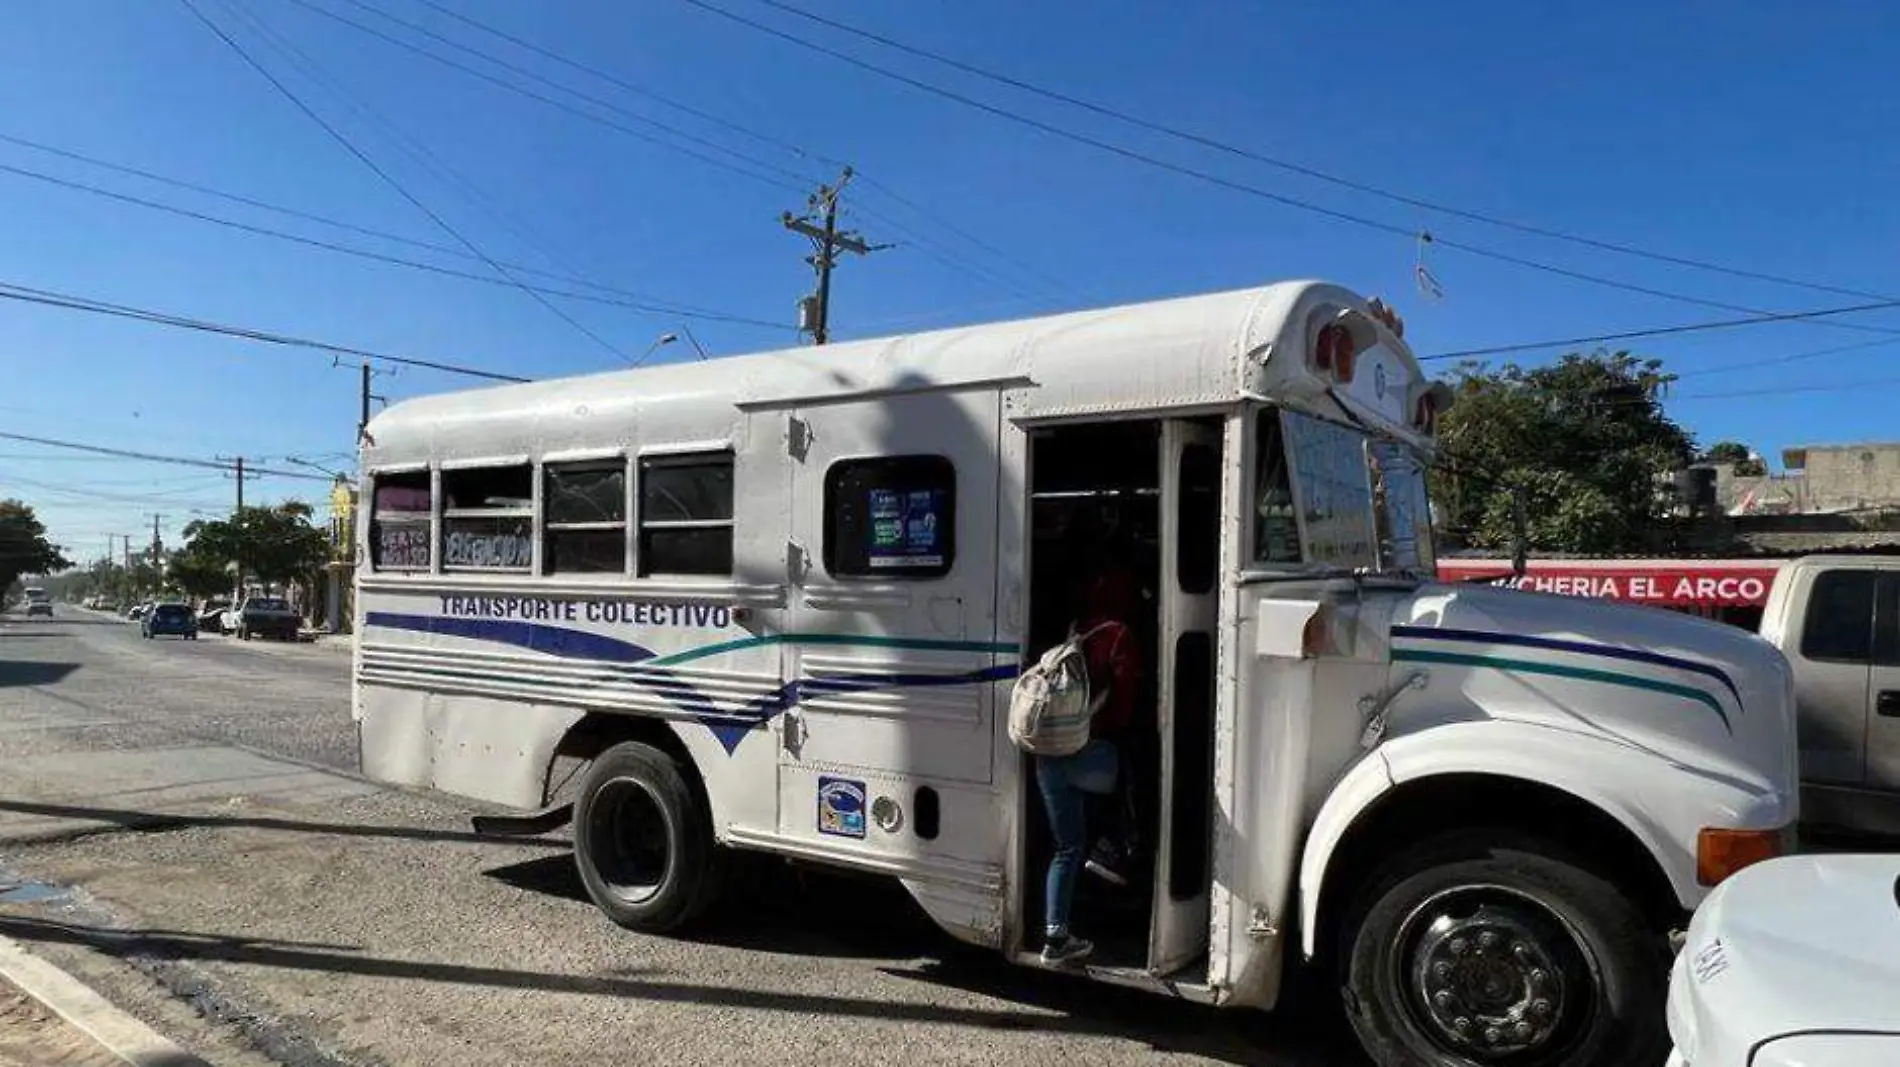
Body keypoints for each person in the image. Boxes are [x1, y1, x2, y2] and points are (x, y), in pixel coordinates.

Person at [1036, 556, 1143, 966]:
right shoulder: (1119, 635)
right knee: (1131, 782)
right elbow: (1123, 705)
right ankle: (1110, 851)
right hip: (1090, 750)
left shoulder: (1075, 629)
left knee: (1065, 846)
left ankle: (1055, 936)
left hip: (1049, 752)